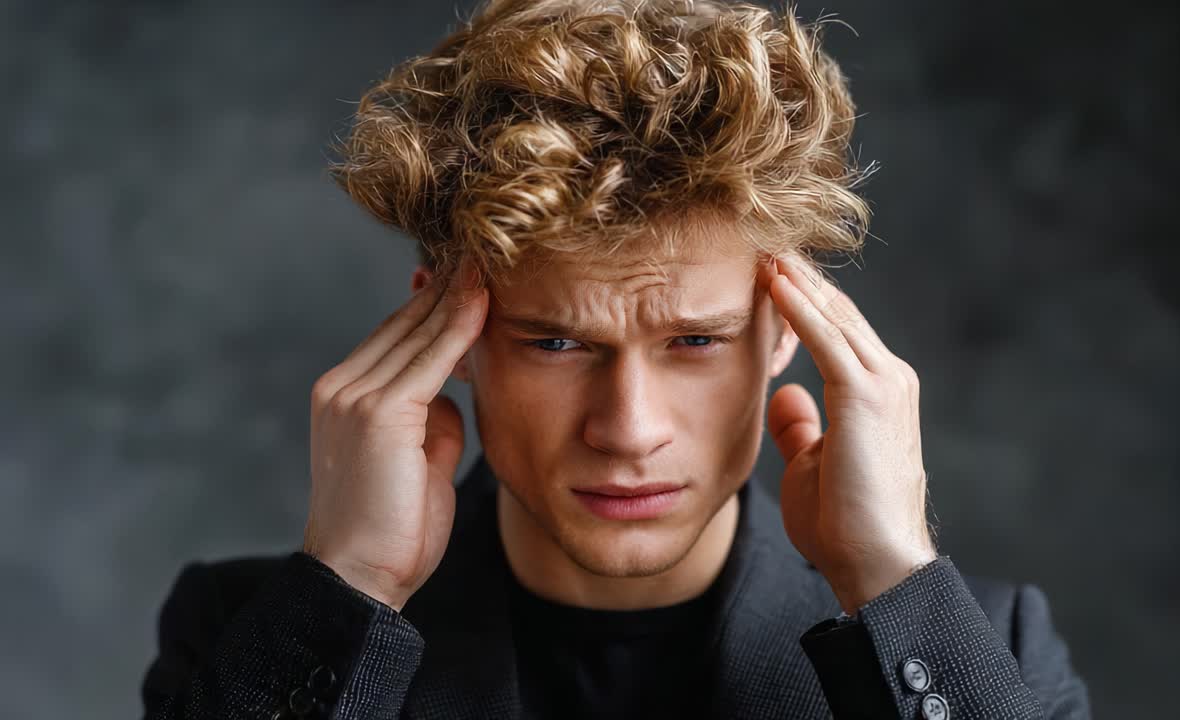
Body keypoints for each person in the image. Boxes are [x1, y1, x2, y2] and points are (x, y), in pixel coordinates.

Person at [140, 0, 1091, 718]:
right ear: (446, 338)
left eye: (695, 341)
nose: (628, 429)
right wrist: (352, 583)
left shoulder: (980, 651)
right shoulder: (246, 632)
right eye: (555, 341)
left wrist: (890, 579)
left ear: (792, 325)